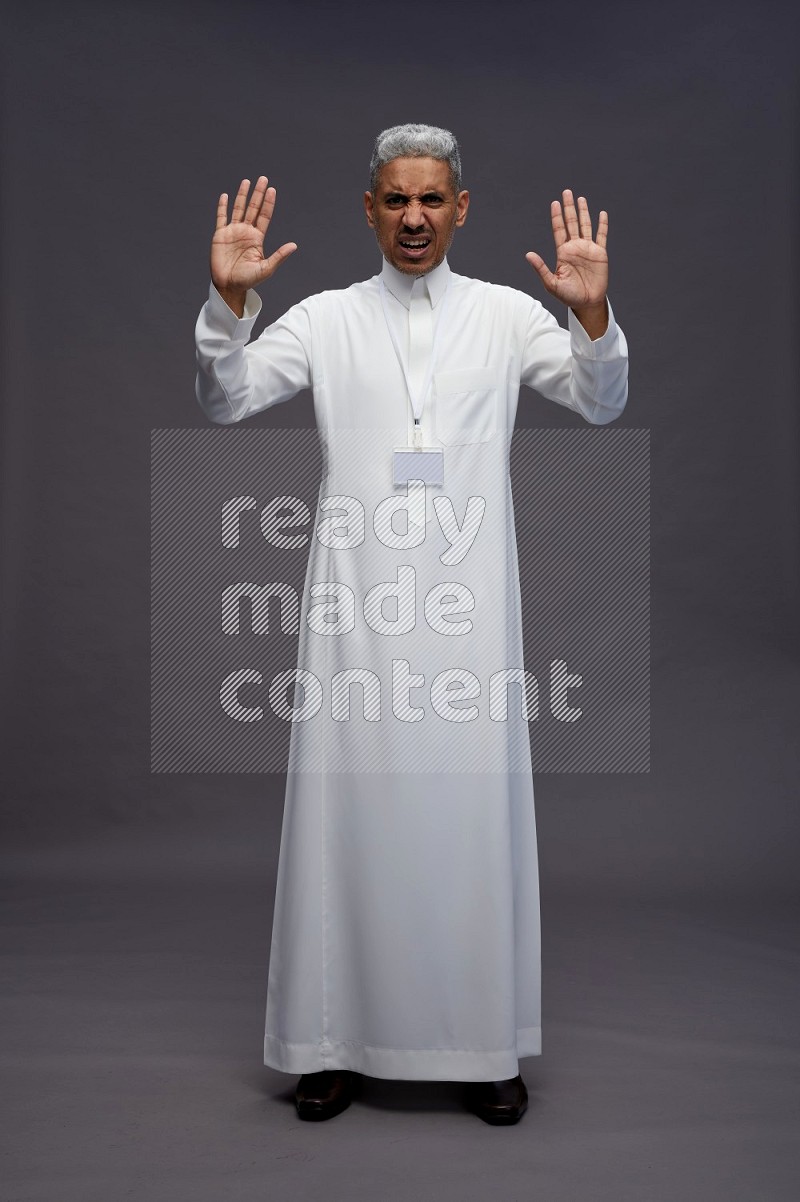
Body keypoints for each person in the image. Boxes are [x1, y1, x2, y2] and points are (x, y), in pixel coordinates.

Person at [194, 124, 628, 1125]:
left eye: (431, 199)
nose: (414, 218)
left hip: (469, 611)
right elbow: (224, 398)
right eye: (395, 200)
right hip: (355, 609)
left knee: (466, 820)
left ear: (461, 208)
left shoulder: (506, 315)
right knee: (348, 820)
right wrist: (229, 302)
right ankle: (330, 1043)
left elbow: (598, 400)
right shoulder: (327, 320)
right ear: (369, 210)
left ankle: (481, 1045)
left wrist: (592, 314)